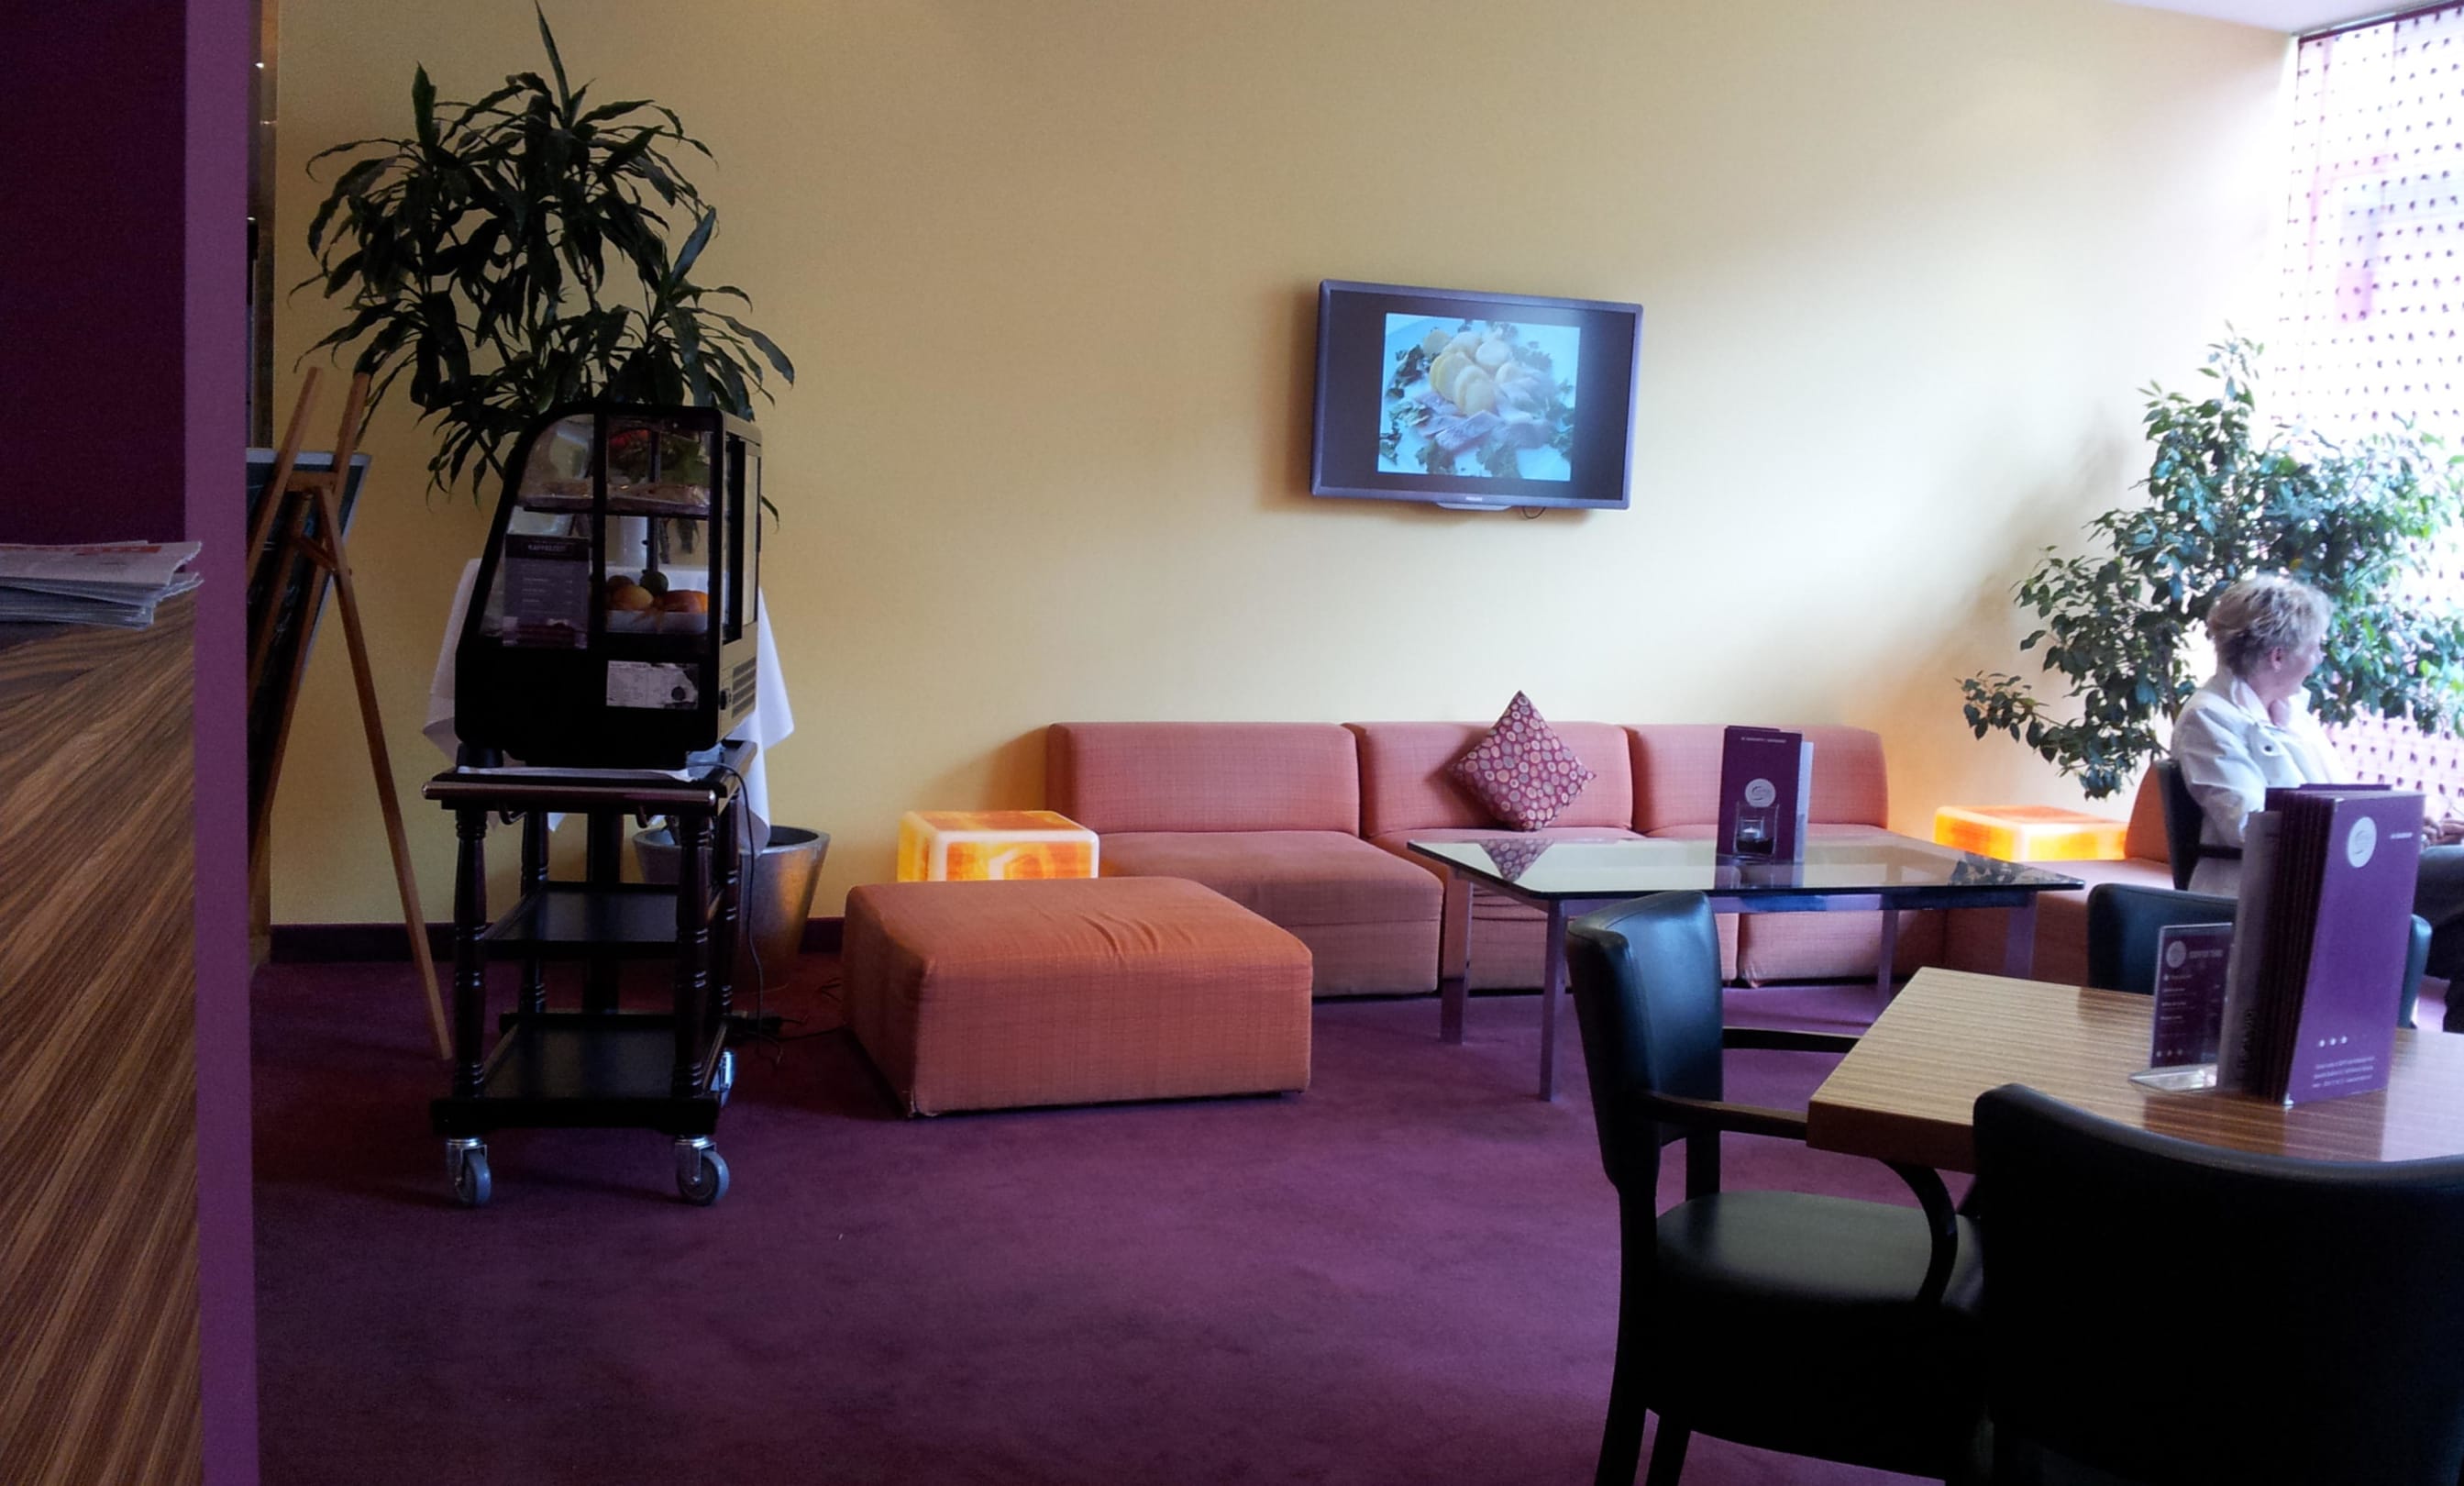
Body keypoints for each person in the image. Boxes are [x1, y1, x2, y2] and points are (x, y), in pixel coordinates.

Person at [2169, 573, 2464, 981]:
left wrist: (2407, 828)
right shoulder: (2209, 717)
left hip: (2343, 870)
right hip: (2293, 882)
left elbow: (2347, 800)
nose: (2320, 658)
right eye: (2315, 647)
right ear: (2277, 656)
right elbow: (2248, 824)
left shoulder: (2294, 716)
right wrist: (2381, 834)